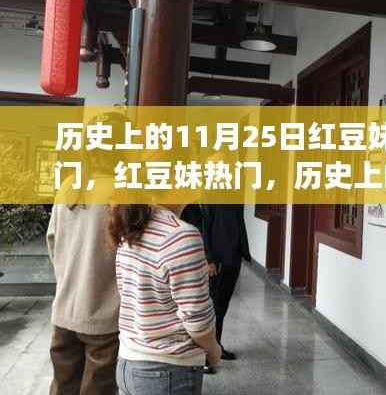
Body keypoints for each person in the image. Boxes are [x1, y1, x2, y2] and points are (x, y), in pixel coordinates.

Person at [47, 112, 129, 395]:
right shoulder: (124, 193)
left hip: (65, 312)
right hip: (105, 316)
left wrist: (70, 280)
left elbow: (53, 245)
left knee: (62, 387)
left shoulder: (69, 187)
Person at [110, 204, 221, 395]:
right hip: (166, 371)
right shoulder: (181, 236)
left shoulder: (132, 224)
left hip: (128, 363)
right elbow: (198, 321)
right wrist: (213, 351)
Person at [201, 204, 251, 365]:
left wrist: (242, 251)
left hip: (233, 258)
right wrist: (209, 259)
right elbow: (204, 226)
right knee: (213, 307)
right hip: (217, 260)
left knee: (221, 307)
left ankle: (216, 346)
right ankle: (205, 355)